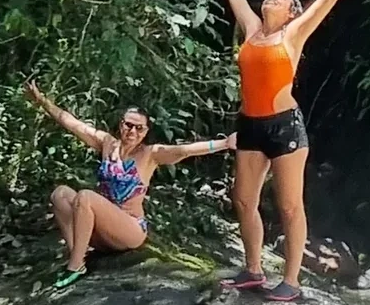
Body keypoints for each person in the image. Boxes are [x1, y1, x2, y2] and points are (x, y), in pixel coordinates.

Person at [201, 0, 370, 302]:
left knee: (290, 205)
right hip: (250, 125)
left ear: (291, 12)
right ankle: (254, 269)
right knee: (243, 199)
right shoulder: (251, 29)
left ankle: (291, 280)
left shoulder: (293, 34)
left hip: (284, 127)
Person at [23, 80, 236, 289]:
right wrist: (41, 101)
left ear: (145, 132)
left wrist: (224, 143)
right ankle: (78, 257)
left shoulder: (149, 154)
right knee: (60, 194)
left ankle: (75, 266)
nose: (132, 132)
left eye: (139, 128)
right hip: (102, 229)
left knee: (85, 196)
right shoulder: (108, 143)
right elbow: (71, 123)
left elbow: (185, 150)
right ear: (121, 125)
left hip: (130, 230)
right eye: (128, 125)